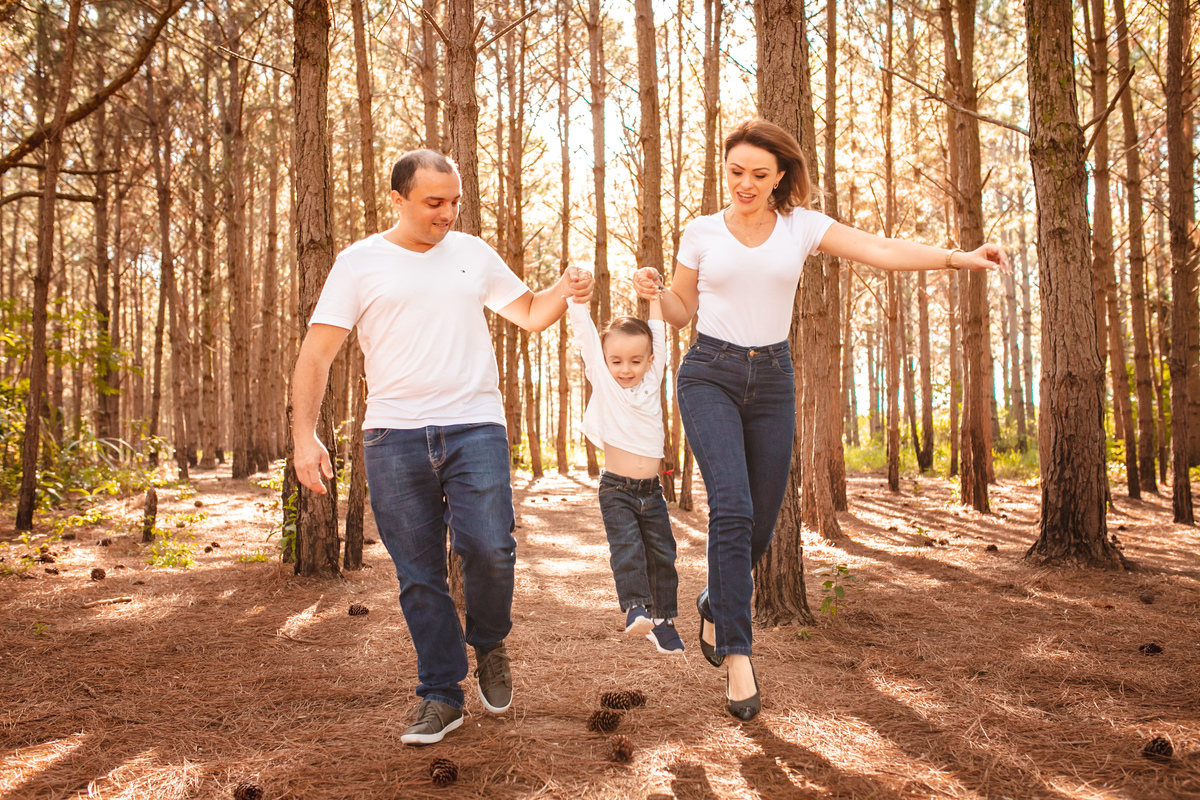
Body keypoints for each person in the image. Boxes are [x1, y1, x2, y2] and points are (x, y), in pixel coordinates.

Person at [633, 118, 1007, 721]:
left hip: (773, 380)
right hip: (709, 374)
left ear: (780, 175)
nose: (745, 183)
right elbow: (680, 313)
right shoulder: (701, 232)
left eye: (759, 174)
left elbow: (881, 250)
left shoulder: (800, 226)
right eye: (735, 172)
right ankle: (738, 655)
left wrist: (957, 258)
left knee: (758, 525)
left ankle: (715, 601)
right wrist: (654, 291)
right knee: (732, 508)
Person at [292, 149, 593, 746]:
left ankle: (490, 642)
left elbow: (532, 314)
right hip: (392, 436)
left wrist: (565, 287)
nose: (447, 213)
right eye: (434, 202)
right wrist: (304, 434)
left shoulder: (473, 254)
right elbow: (317, 354)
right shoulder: (359, 263)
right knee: (419, 574)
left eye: (454, 201)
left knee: (490, 547)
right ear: (398, 199)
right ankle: (441, 694)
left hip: (475, 425)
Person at [567, 291, 683, 654]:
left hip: (652, 491)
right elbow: (586, 336)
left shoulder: (652, 380)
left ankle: (662, 621)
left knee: (663, 553)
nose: (626, 369)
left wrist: (654, 296)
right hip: (617, 490)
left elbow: (659, 334)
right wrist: (576, 298)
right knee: (628, 548)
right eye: (615, 361)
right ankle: (635, 608)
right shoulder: (604, 382)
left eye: (635, 361)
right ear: (604, 362)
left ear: (650, 361)